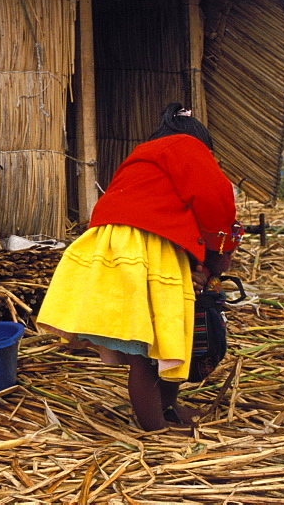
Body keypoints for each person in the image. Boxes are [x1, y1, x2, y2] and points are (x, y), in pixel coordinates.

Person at [36, 102, 240, 432]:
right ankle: (155, 428)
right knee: (148, 355)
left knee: (170, 339)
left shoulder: (145, 156)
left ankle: (169, 410)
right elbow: (216, 203)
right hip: (144, 250)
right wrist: (218, 259)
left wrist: (194, 264)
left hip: (115, 250)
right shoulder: (188, 148)